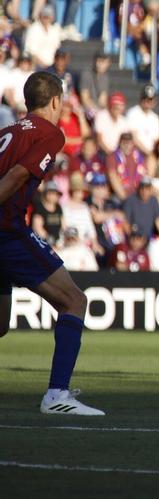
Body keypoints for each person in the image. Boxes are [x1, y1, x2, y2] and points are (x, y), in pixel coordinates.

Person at [0, 73, 104, 415]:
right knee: (74, 300)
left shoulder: (8, 131)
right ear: (56, 101)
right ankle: (57, 394)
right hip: (7, 232)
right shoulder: (50, 133)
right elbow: (17, 176)